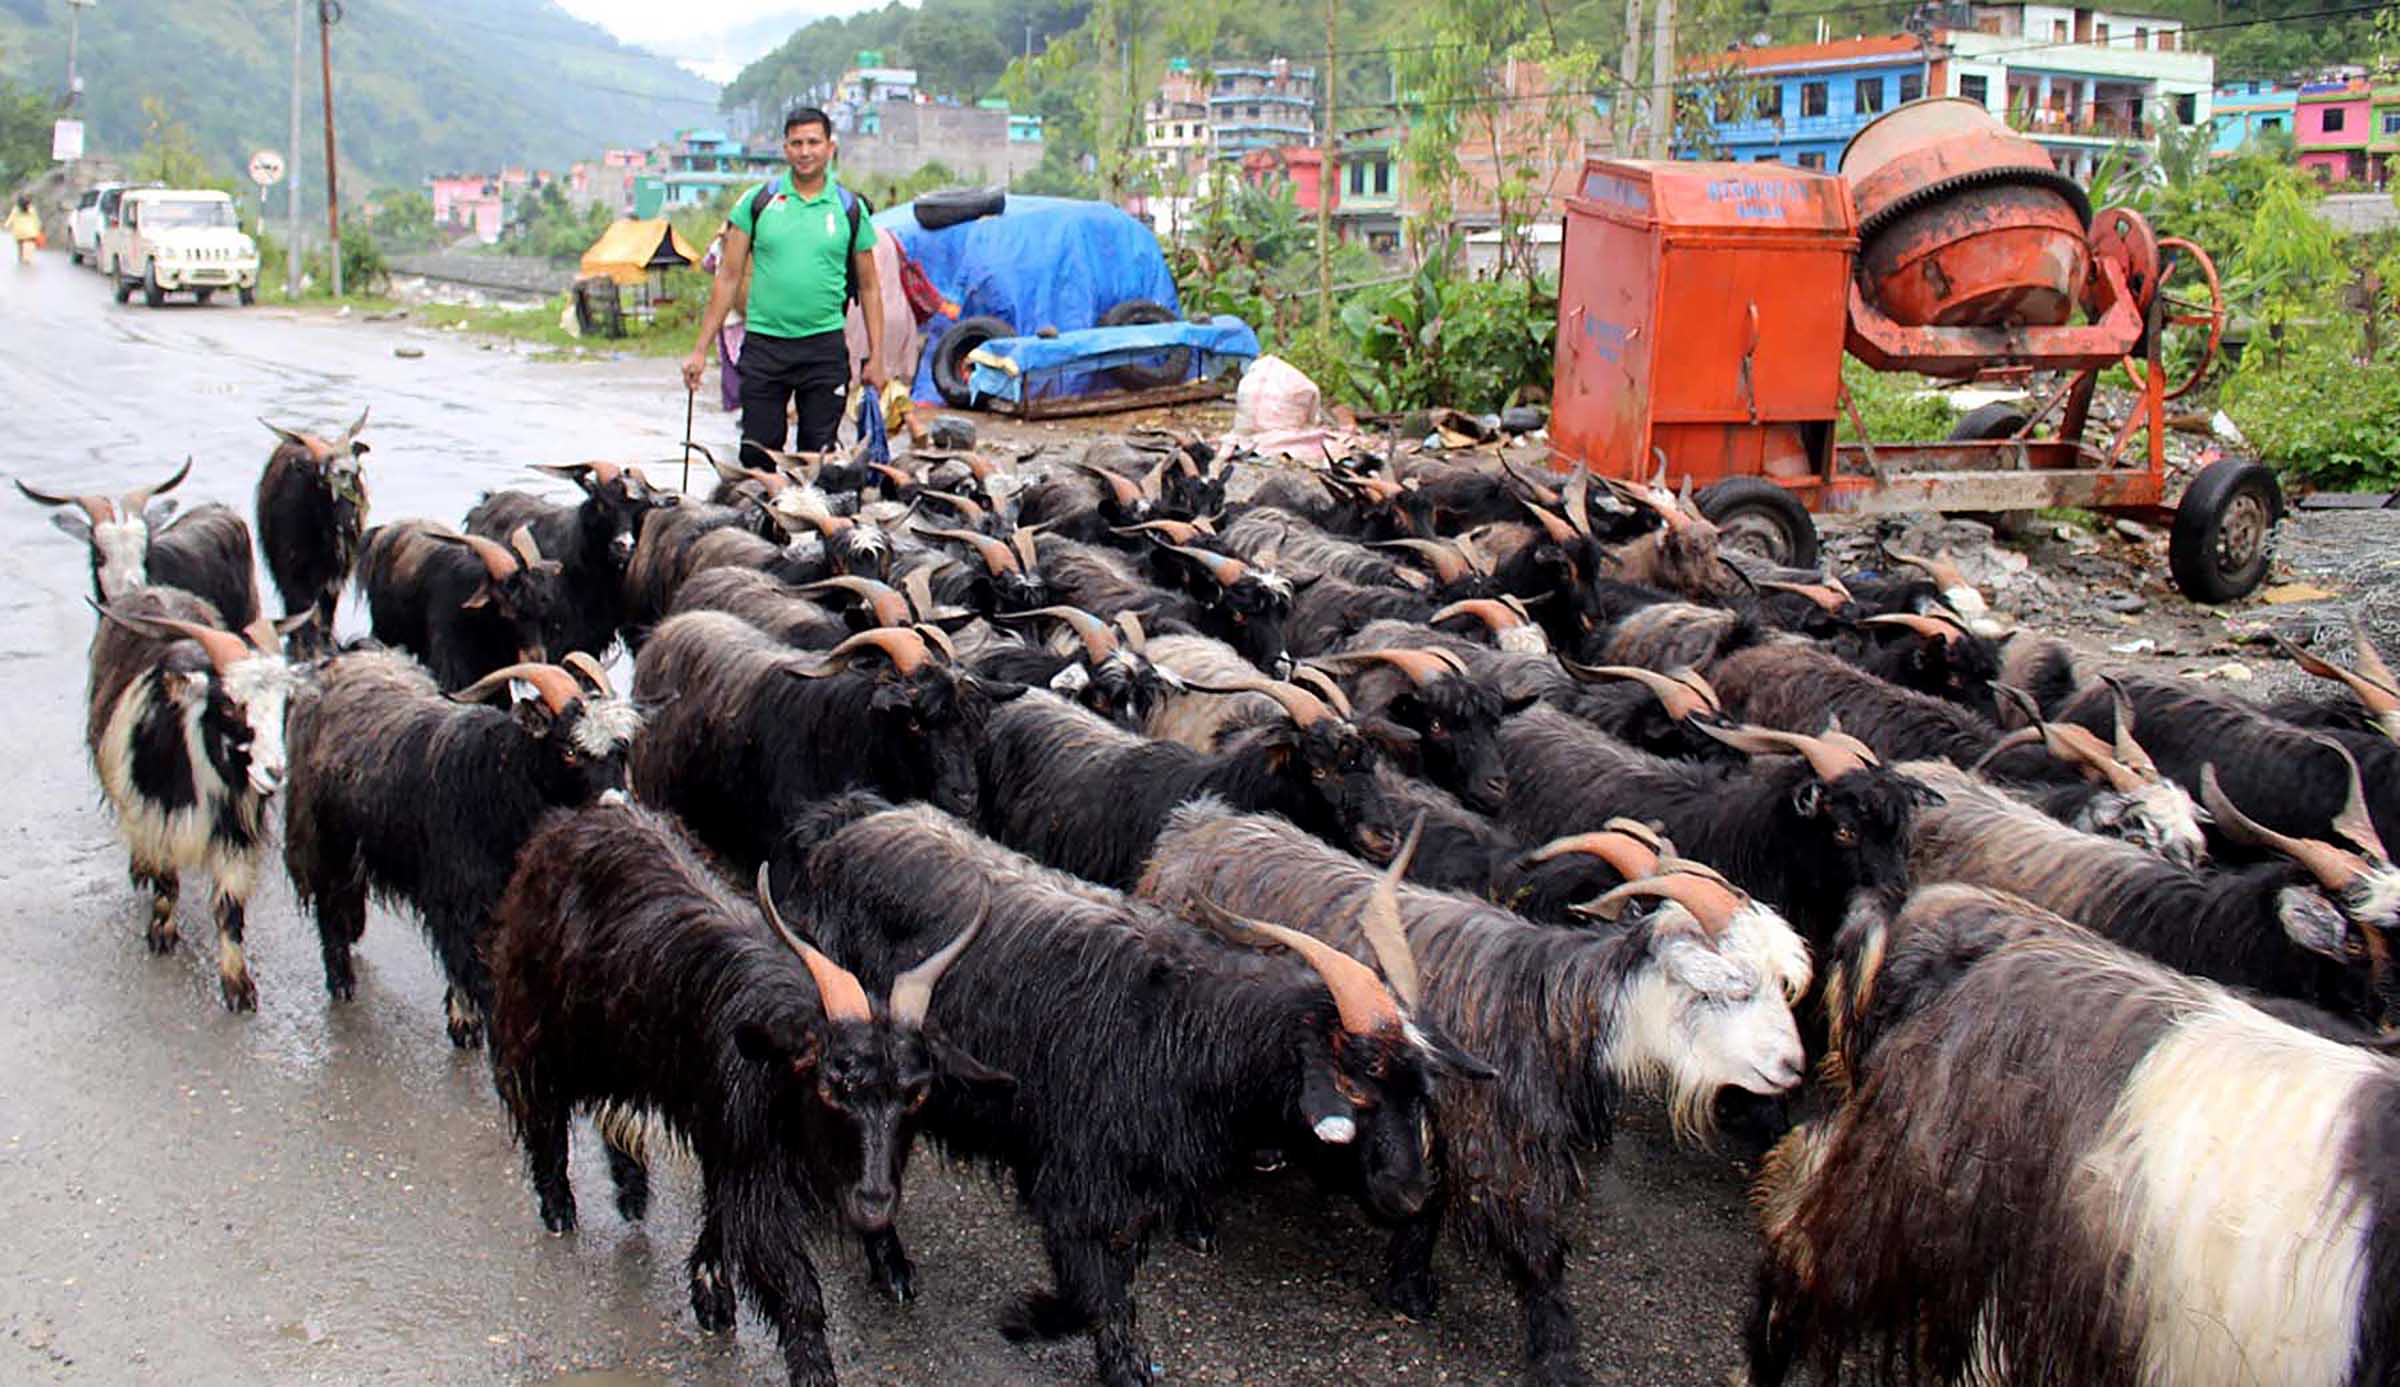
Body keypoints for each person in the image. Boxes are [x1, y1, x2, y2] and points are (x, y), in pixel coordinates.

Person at [683, 108, 885, 463]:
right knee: (758, 456)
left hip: (824, 348)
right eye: (796, 143)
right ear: (785, 148)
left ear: (830, 147)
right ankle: (760, 518)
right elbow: (728, 277)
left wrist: (878, 358)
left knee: (819, 458)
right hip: (764, 346)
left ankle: (808, 518)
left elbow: (870, 287)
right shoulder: (757, 203)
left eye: (813, 142)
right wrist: (700, 350)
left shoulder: (849, 208)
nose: (805, 151)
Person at [6, 197, 39, 266]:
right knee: (30, 245)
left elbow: (11, 219)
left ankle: (21, 257)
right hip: (30, 230)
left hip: (19, 231)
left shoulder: (16, 209)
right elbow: (36, 220)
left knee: (20, 245)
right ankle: (27, 258)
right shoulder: (32, 209)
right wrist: (38, 227)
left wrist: (6, 225)